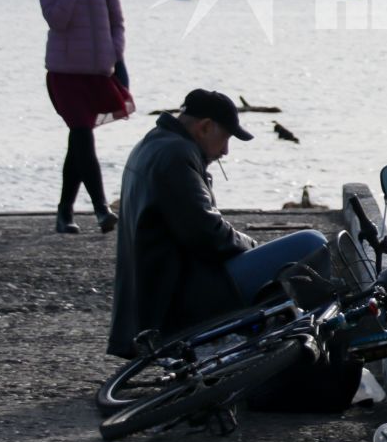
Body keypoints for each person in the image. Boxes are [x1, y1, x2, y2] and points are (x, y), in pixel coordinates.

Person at [107, 89, 332, 359]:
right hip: (181, 296)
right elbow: (208, 235)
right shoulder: (177, 156)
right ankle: (324, 345)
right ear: (205, 126)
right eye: (226, 138)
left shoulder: (151, 145)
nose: (225, 150)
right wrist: (251, 244)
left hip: (156, 294)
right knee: (312, 243)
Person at [38, 0, 132, 235]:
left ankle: (64, 212)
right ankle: (101, 208)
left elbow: (118, 23)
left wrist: (114, 54)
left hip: (97, 74)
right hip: (64, 76)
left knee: (77, 143)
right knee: (81, 133)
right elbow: (57, 20)